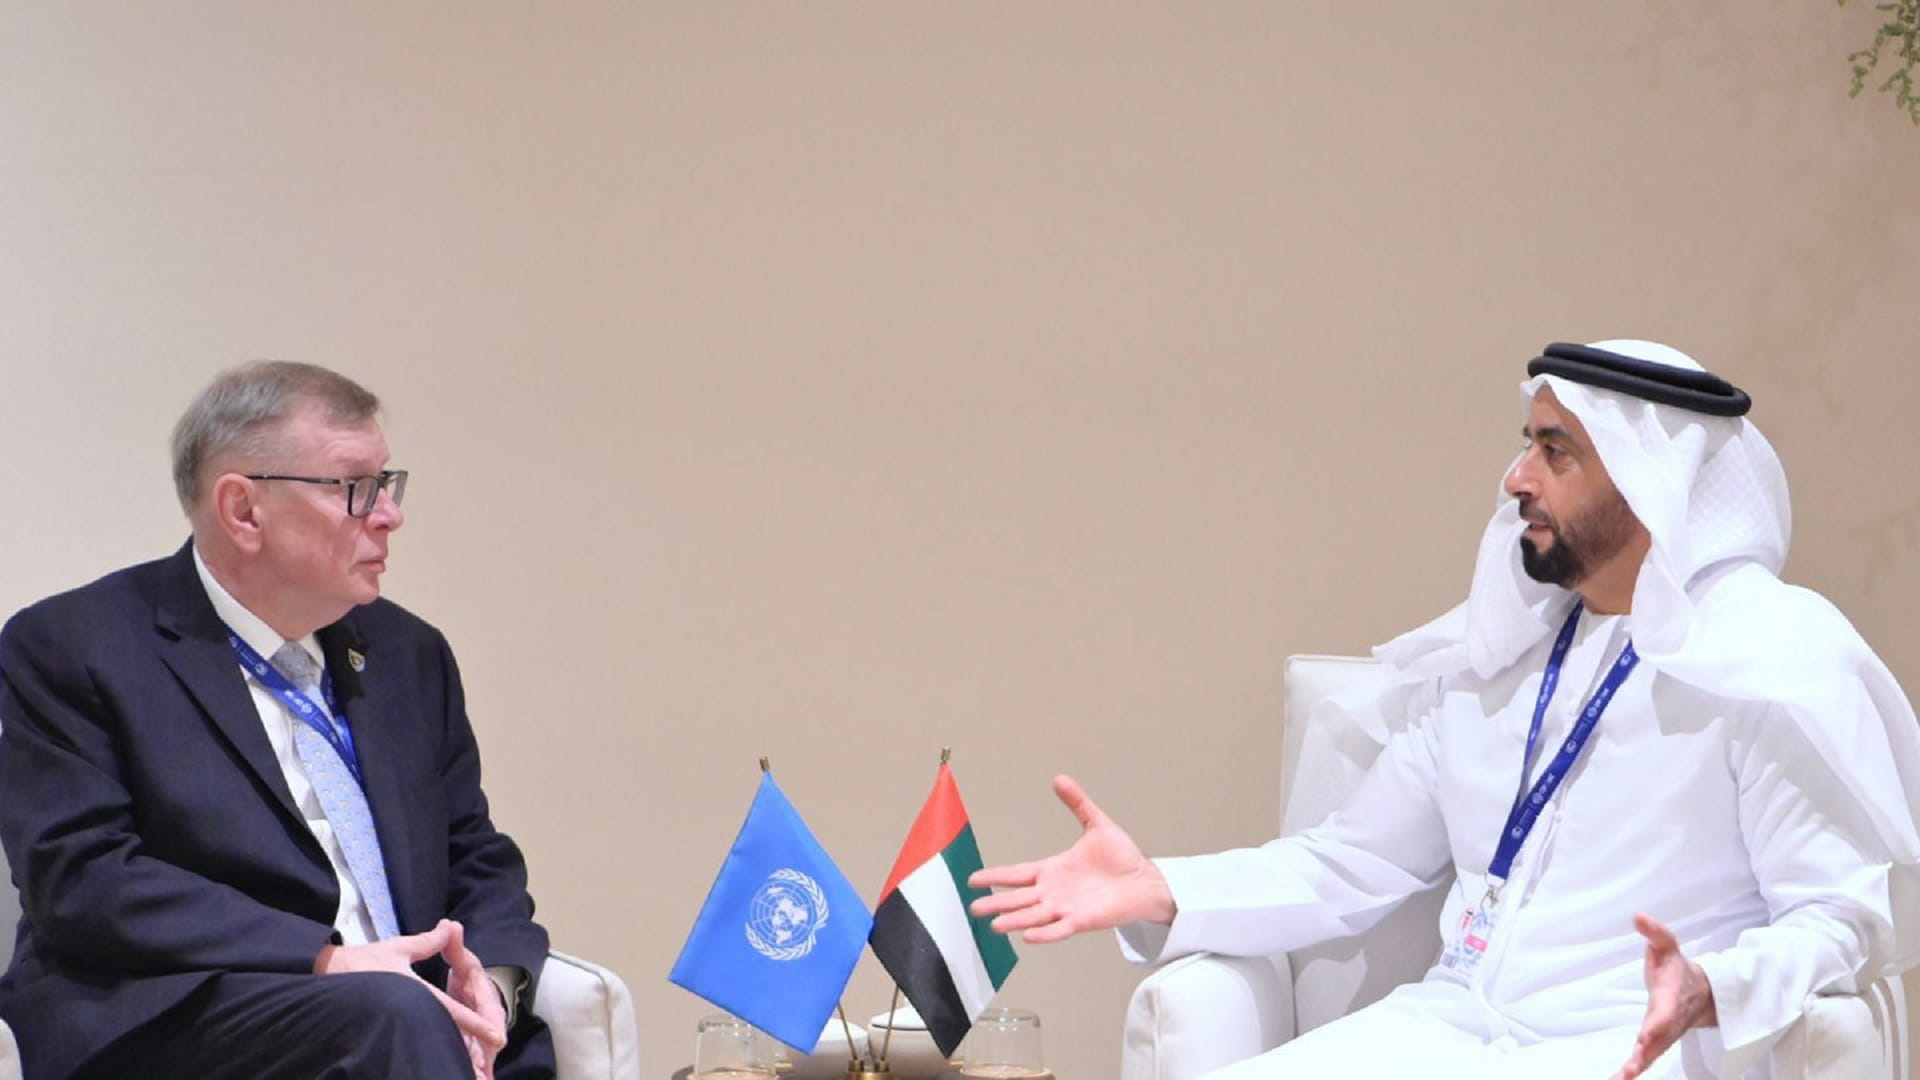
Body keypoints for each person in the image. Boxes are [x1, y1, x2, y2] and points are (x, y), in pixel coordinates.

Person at [971, 340, 1920, 1079]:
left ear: (1647, 479)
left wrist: (1717, 987)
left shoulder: (1768, 663)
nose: (1517, 481)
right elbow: (1354, 859)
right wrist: (1163, 889)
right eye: (1527, 448)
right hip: (1450, 1027)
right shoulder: (1500, 659)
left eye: (1556, 453)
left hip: (1622, 1049)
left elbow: (1843, 913)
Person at [0, 361, 555, 1079]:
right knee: (393, 1014)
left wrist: (495, 983)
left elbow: (475, 852)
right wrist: (326, 959)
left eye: (387, 483)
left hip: (402, 1021)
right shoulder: (76, 646)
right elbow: (84, 878)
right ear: (243, 509)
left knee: (468, 1033)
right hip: (188, 1014)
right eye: (356, 488)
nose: (390, 514)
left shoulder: (408, 654)